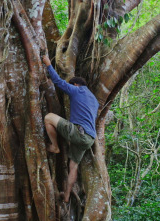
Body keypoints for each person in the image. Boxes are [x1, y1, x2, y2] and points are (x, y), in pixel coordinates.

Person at [42, 55, 99, 203]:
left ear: (75, 85)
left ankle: (54, 146)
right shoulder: (94, 99)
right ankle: (66, 196)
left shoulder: (77, 90)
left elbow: (58, 82)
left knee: (48, 117)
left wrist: (48, 64)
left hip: (78, 133)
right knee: (73, 166)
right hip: (89, 139)